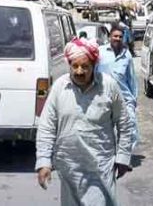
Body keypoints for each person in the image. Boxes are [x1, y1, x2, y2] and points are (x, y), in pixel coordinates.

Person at [36, 38, 134, 205]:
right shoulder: (60, 87)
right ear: (69, 65)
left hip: (100, 168)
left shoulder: (108, 86)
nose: (79, 71)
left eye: (85, 67)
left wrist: (123, 157)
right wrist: (44, 161)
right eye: (75, 66)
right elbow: (47, 126)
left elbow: (124, 123)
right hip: (69, 168)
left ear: (94, 66)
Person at [97, 27, 139, 153]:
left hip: (124, 98)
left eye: (120, 37)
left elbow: (132, 79)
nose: (118, 39)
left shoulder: (127, 55)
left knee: (129, 126)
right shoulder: (100, 52)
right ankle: (108, 154)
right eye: (115, 36)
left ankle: (125, 156)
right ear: (110, 37)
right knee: (104, 129)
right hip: (104, 96)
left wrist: (133, 99)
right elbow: (93, 73)